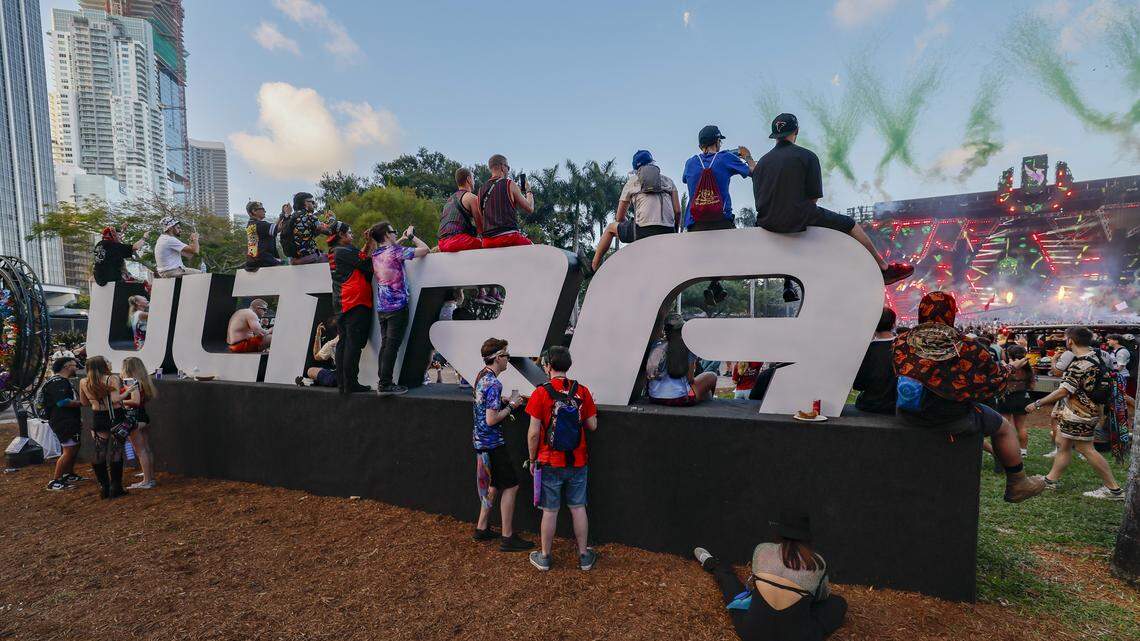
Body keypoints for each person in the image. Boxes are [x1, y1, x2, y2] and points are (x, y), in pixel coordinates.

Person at [893, 291, 1045, 503]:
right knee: (1004, 428)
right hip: (951, 419)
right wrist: (1009, 369)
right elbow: (993, 382)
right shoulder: (968, 346)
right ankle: (1017, 482)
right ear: (951, 314)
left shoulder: (901, 341)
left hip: (907, 415)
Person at [752, 113, 913, 286]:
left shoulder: (761, 163)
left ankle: (789, 283)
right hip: (797, 218)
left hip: (766, 222)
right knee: (850, 224)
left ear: (774, 135)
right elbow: (813, 200)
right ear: (796, 131)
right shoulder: (807, 156)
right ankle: (884, 269)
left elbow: (760, 199)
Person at [693, 510, 847, 641]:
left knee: (730, 583)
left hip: (752, 632)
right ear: (806, 537)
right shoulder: (817, 563)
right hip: (798, 637)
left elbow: (755, 587)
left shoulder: (762, 550)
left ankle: (709, 562)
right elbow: (822, 597)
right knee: (839, 603)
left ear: (779, 531)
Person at [1026, 326, 1125, 500]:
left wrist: (1038, 403)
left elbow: (1064, 390)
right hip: (1089, 409)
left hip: (1079, 413)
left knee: (1085, 448)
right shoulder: (1098, 356)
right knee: (1063, 444)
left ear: (1070, 340)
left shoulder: (1079, 364)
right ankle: (1050, 480)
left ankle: (1113, 489)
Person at [525, 346, 599, 571]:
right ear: (568, 365)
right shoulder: (582, 391)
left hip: (549, 461)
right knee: (578, 507)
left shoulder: (540, 393)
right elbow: (593, 425)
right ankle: (584, 556)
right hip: (578, 460)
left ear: (547, 366)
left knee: (550, 511)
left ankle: (545, 557)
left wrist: (532, 459)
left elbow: (533, 433)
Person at [471, 338, 534, 552]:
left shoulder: (482, 376)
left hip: (481, 441)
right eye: (506, 355)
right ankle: (508, 537)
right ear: (498, 358)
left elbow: (484, 403)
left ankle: (481, 528)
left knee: (493, 484)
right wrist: (513, 406)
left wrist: (502, 400)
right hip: (493, 443)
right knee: (512, 485)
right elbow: (491, 419)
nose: (508, 359)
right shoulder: (494, 383)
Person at [682, 126, 755, 306]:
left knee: (710, 258)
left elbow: (686, 179)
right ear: (717, 142)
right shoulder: (725, 158)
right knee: (731, 255)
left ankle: (716, 286)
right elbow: (753, 171)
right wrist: (747, 156)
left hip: (694, 224)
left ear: (700, 146)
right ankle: (715, 286)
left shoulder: (691, 162)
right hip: (720, 221)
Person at [590, 150, 681, 272]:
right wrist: (674, 230)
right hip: (668, 231)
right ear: (652, 163)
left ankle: (593, 267)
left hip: (642, 231)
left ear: (635, 169)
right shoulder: (668, 181)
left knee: (611, 228)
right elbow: (678, 211)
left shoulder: (632, 182)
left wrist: (627, 225)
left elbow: (619, 217)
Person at [369, 222, 430, 396]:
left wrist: (401, 238)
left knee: (386, 345)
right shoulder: (395, 252)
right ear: (387, 235)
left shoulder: (377, 253)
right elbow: (425, 250)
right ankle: (386, 383)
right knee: (392, 346)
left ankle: (383, 381)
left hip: (383, 307)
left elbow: (393, 250)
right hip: (397, 306)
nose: (396, 234)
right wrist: (412, 237)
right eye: (393, 232)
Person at [327, 221, 375, 394]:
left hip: (343, 302)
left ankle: (343, 384)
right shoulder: (343, 251)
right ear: (341, 235)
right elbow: (368, 263)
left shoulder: (336, 251)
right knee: (352, 345)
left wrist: (369, 242)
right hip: (355, 301)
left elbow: (360, 256)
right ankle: (351, 384)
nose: (352, 235)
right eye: (350, 232)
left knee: (344, 343)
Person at [78, 356, 127, 499]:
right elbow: (115, 399)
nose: (109, 362)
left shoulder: (83, 381)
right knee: (116, 451)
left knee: (99, 451)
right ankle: (116, 487)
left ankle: (103, 487)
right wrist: (129, 391)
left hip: (98, 416)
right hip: (115, 416)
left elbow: (84, 402)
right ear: (103, 365)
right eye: (107, 361)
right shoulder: (112, 378)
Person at [645, 314, 717, 406]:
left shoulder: (656, 345)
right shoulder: (688, 346)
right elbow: (690, 379)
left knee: (703, 390)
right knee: (712, 376)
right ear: (682, 330)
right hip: (680, 398)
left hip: (654, 397)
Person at [41, 357, 85, 491]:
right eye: (74, 365)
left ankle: (68, 474)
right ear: (66, 366)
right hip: (63, 420)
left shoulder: (62, 381)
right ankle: (55, 481)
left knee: (75, 446)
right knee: (69, 449)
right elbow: (62, 402)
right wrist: (82, 403)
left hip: (69, 419)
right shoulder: (58, 382)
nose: (77, 368)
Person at [477, 154, 535, 248]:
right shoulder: (509, 184)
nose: (508, 170)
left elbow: (481, 215)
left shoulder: (480, 190)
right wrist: (528, 190)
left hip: (488, 242)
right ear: (502, 167)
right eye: (508, 167)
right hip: (509, 237)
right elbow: (530, 208)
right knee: (535, 251)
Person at [851, 307, 898, 415]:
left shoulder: (867, 350)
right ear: (893, 324)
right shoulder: (904, 348)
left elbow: (858, 384)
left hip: (869, 406)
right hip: (895, 407)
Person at [121, 356, 158, 490]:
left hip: (134, 418)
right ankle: (150, 477)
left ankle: (147, 481)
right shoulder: (143, 381)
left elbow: (135, 402)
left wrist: (117, 401)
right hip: (142, 416)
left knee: (140, 450)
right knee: (145, 449)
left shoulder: (130, 381)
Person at [995, 344, 1035, 457]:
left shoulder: (1008, 367)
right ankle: (1023, 451)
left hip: (1006, 397)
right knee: (1021, 426)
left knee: (1006, 426)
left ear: (1009, 355)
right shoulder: (1028, 369)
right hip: (1022, 397)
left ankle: (1008, 449)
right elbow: (1032, 386)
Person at [438, 168, 484, 252]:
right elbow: (481, 228)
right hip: (457, 241)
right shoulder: (471, 197)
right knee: (487, 243)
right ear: (469, 179)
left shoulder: (448, 201)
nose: (473, 182)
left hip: (441, 243)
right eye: (473, 179)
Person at [290, 192, 330, 265]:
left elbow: (303, 235)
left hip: (294, 258)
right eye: (312, 202)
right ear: (305, 203)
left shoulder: (292, 217)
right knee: (332, 259)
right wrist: (330, 224)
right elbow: (327, 231)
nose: (314, 204)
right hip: (309, 256)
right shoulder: (310, 216)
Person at [297, 320, 338, 388]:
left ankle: (314, 382)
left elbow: (316, 355)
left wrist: (318, 335)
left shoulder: (331, 344)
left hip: (338, 378)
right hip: (351, 377)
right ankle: (314, 381)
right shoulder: (354, 338)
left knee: (310, 371)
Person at [244, 200, 283, 270]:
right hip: (265, 260)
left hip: (254, 259)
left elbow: (273, 227)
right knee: (287, 264)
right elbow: (278, 228)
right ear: (254, 211)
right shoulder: (260, 224)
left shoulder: (251, 225)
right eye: (262, 209)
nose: (265, 211)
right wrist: (287, 215)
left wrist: (281, 216)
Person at [1106, 334, 1134, 398]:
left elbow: (1121, 367)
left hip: (1122, 377)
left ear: (1116, 341)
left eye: (1109, 340)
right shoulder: (1114, 351)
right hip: (1118, 377)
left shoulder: (1122, 351)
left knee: (1123, 397)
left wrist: (1110, 373)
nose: (1108, 342)